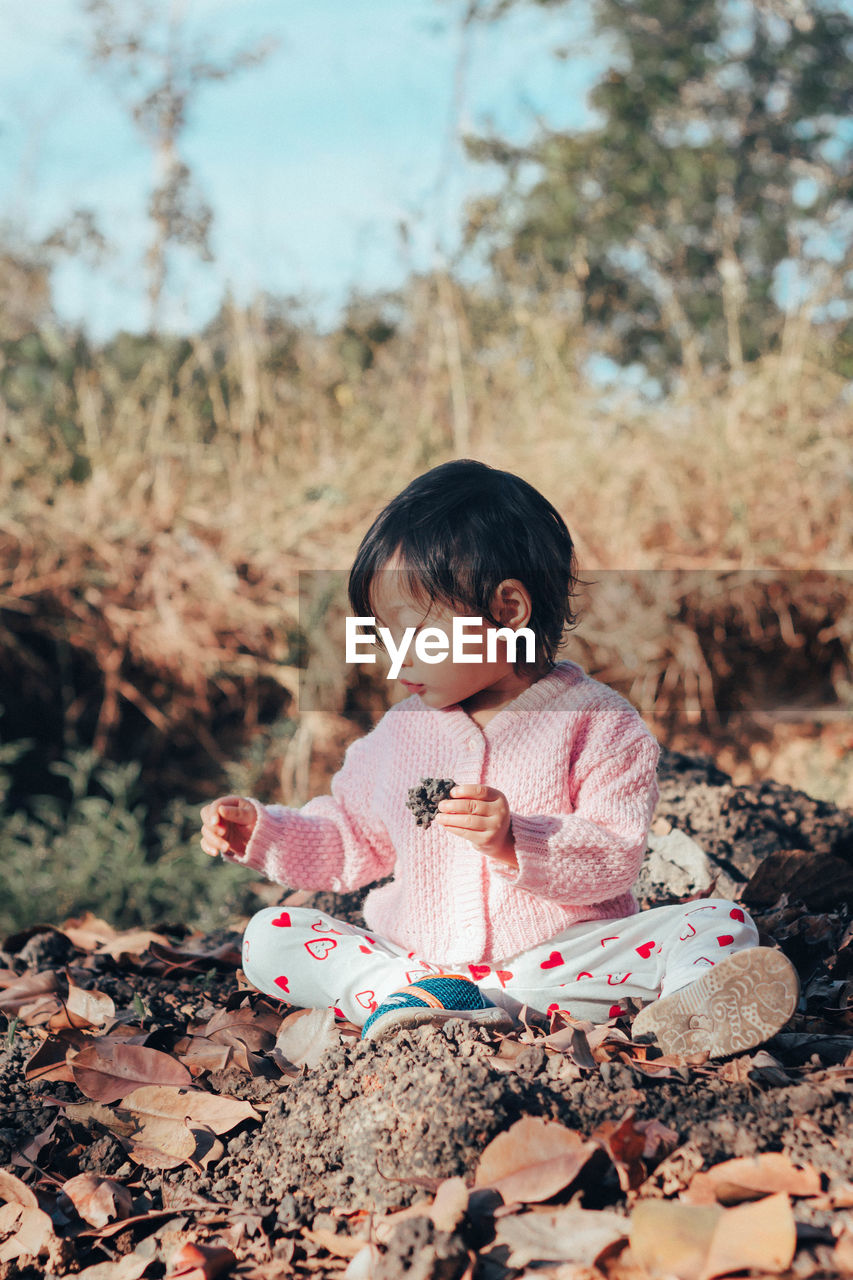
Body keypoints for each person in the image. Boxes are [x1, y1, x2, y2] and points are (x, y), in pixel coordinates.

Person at [199, 459, 800, 1058]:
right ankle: (414, 997)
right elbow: (348, 838)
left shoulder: (601, 723)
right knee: (270, 936)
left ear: (509, 608)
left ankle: (687, 1015)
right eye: (383, 637)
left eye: (415, 636)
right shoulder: (398, 735)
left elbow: (614, 857)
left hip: (560, 966)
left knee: (720, 922)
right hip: (421, 960)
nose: (395, 661)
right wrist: (265, 832)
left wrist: (517, 841)